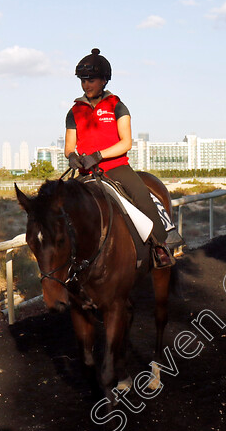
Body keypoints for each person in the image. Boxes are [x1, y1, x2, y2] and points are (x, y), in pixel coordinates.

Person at [64, 48, 175, 268]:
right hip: (86, 172)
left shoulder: (117, 106)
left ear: (104, 80)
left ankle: (160, 246)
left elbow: (126, 143)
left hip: (116, 168)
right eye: (83, 81)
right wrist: (73, 158)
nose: (86, 85)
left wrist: (98, 155)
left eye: (91, 80)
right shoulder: (73, 111)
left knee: (143, 197)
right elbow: (69, 147)